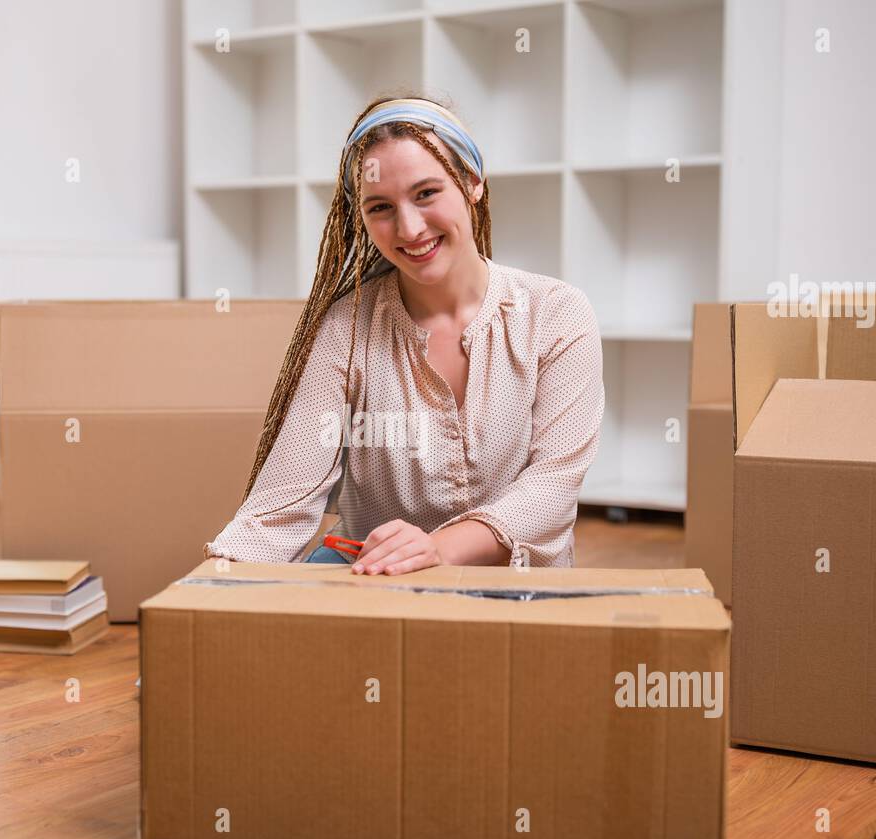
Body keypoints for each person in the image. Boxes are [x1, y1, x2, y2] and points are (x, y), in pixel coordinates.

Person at [205, 93, 604, 575]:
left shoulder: (556, 313)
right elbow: (285, 498)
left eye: (426, 193)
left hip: (513, 594)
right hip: (379, 587)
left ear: (472, 182)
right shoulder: (346, 328)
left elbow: (553, 485)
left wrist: (439, 548)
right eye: (381, 207)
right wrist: (209, 585)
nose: (410, 228)